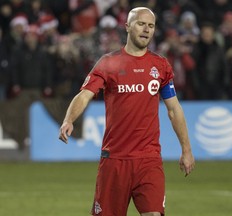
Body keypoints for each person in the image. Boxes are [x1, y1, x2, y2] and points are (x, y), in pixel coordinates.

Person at [59, 7, 195, 216]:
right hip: (115, 160)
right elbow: (85, 94)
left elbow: (174, 110)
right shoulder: (108, 63)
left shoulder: (160, 66)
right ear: (127, 26)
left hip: (149, 159)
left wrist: (186, 150)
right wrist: (69, 120)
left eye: (151, 25)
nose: (146, 29)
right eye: (141, 23)